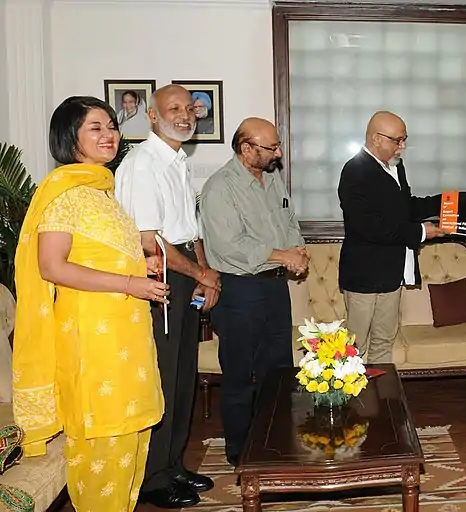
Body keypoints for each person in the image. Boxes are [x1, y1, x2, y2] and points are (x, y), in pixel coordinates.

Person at [12, 95, 168, 511]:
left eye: (112, 126)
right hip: (93, 348)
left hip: (125, 339)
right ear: (69, 138)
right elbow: (52, 266)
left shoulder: (100, 190)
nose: (109, 135)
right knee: (103, 454)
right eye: (95, 127)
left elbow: (97, 254)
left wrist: (143, 262)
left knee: (131, 445)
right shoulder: (65, 194)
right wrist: (130, 282)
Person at [115, 84, 219, 508]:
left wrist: (204, 275)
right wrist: (199, 273)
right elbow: (150, 241)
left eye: (189, 108)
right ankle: (153, 478)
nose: (185, 115)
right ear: (152, 117)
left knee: (182, 377)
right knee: (161, 380)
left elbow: (188, 230)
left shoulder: (177, 160)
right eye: (172, 108)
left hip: (184, 275)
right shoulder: (142, 163)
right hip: (158, 279)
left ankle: (173, 463)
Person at [199, 117, 309, 466]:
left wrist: (298, 251)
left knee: (277, 372)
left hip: (275, 288)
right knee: (240, 375)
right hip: (240, 292)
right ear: (246, 149)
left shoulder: (273, 179)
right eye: (270, 147)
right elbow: (230, 246)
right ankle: (241, 451)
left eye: (277, 145)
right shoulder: (219, 188)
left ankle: (274, 442)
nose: (278, 152)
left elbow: (289, 221)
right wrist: (282, 255)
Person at [337, 111, 444, 364]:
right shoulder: (354, 171)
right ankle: (350, 402)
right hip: (364, 277)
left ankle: (377, 400)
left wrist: (447, 204)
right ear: (376, 139)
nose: (402, 146)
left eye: (404, 139)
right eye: (397, 140)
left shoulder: (396, 167)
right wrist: (421, 231)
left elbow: (405, 207)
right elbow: (368, 226)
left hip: (391, 273)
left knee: (384, 341)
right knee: (354, 347)